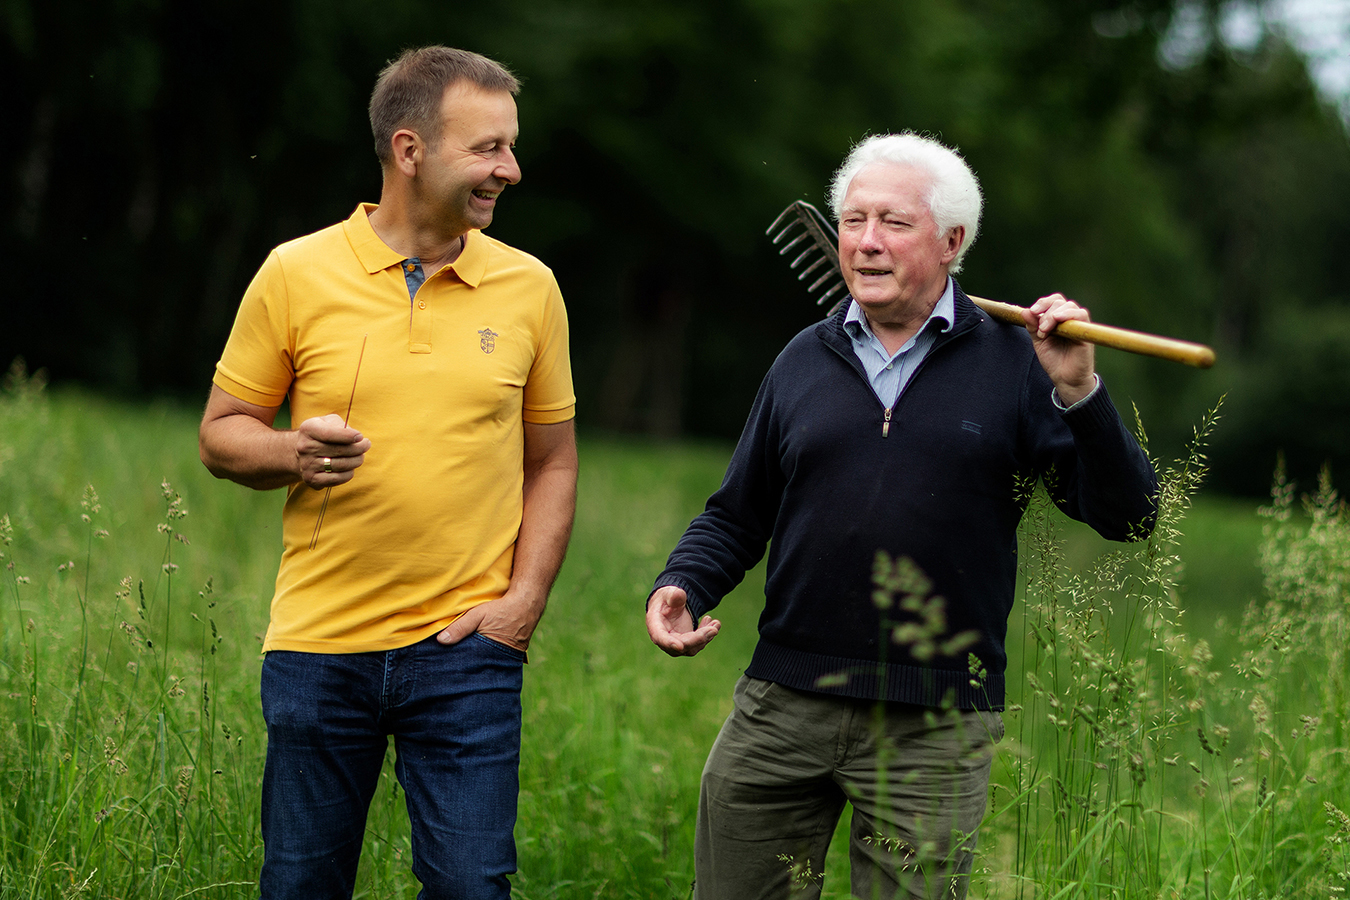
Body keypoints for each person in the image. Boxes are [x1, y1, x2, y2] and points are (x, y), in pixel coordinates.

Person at [645, 132, 1158, 899]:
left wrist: (1079, 394)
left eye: (894, 223)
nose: (866, 243)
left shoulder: (1018, 364)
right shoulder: (802, 360)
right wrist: (685, 581)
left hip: (935, 727)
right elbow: (736, 513)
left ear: (952, 241)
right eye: (853, 221)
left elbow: (1129, 515)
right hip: (784, 704)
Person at [198, 46, 577, 900]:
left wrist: (521, 604)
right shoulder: (295, 272)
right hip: (318, 646)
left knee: (473, 888)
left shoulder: (531, 288)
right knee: (300, 886)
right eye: (487, 149)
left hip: (468, 651)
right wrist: (293, 451)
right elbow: (222, 437)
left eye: (510, 147)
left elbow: (552, 461)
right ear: (409, 150)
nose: (510, 170)